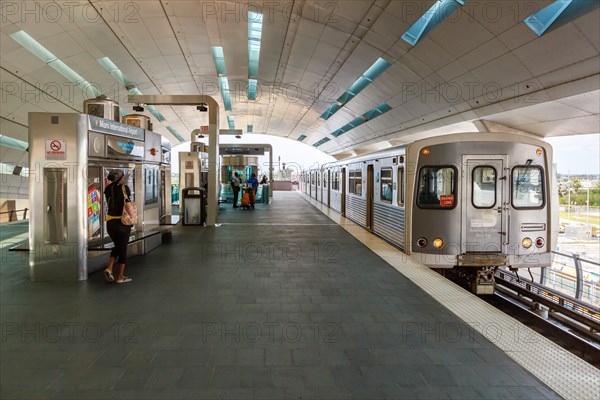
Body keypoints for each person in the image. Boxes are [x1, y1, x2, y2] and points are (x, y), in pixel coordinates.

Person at [103, 169, 133, 284]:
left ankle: (109, 269)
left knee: (118, 245)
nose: (125, 179)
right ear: (119, 179)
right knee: (123, 248)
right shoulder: (125, 188)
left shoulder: (107, 189)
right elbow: (128, 204)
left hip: (110, 223)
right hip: (123, 222)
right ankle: (120, 276)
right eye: (123, 177)